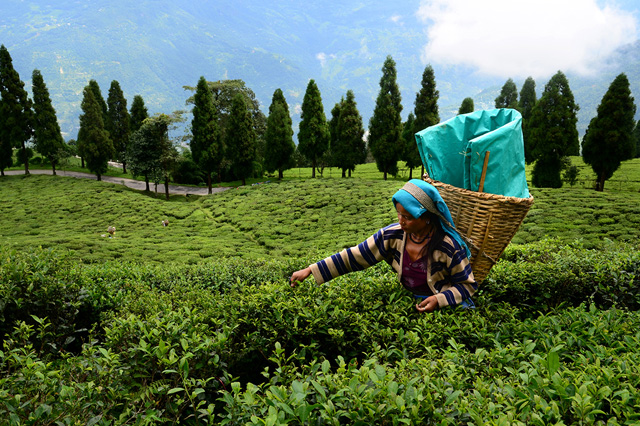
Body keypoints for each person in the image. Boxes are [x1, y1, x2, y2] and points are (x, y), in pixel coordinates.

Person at [290, 179, 477, 313]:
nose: (401, 221)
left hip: (448, 305)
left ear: (427, 218)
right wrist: (310, 270)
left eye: (408, 217)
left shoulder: (448, 246)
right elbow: (355, 256)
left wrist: (438, 300)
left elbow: (467, 286)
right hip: (413, 302)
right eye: (399, 214)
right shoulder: (392, 235)